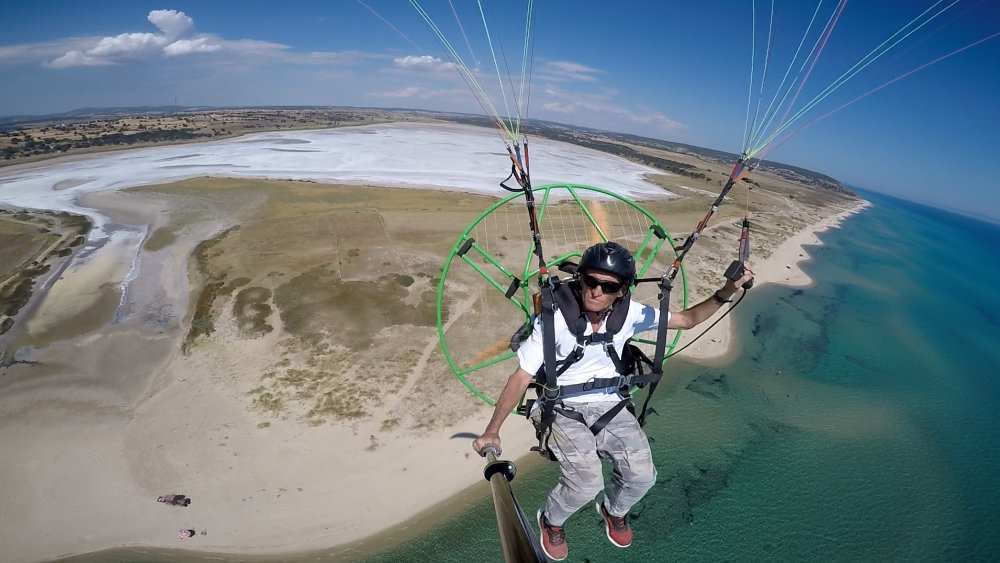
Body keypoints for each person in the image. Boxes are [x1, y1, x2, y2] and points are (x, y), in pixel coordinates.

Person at [472, 241, 754, 561]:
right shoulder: (553, 321)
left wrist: (728, 289)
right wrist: (493, 430)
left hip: (608, 402)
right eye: (590, 281)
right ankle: (551, 519)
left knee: (643, 476)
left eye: (608, 286)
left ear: (621, 291)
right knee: (585, 481)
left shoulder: (630, 313)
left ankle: (614, 509)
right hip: (560, 405)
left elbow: (687, 320)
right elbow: (520, 379)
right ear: (580, 280)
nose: (596, 291)